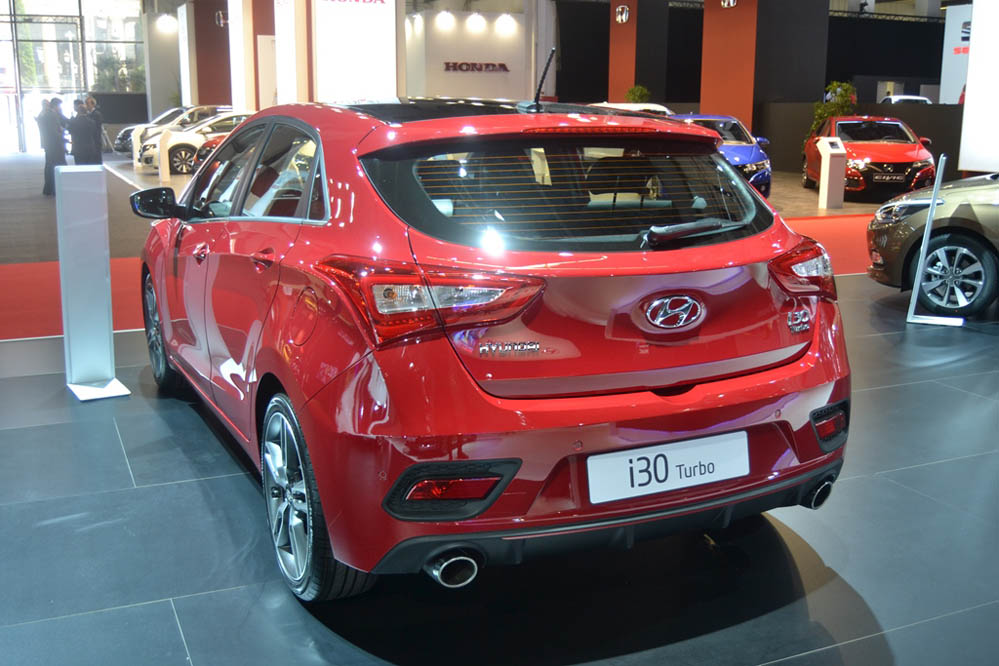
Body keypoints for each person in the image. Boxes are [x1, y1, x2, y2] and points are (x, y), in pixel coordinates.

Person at [38, 98, 67, 196]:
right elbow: (54, 132)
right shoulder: (52, 115)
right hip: (55, 145)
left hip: (49, 145)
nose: (60, 108)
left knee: (50, 165)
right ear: (55, 105)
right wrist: (62, 135)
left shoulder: (45, 114)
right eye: (59, 106)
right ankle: (56, 189)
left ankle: (49, 189)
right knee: (58, 165)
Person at [68, 99, 98, 165]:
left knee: (79, 166)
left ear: (78, 112)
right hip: (89, 148)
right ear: (86, 111)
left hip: (78, 148)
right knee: (89, 166)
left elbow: (70, 131)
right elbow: (95, 133)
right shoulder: (91, 122)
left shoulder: (73, 122)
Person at [85, 95, 104, 163]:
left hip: (95, 140)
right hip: (90, 141)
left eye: (88, 104)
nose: (86, 105)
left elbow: (97, 128)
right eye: (86, 103)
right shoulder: (87, 114)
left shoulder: (97, 114)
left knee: (97, 159)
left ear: (93, 104)